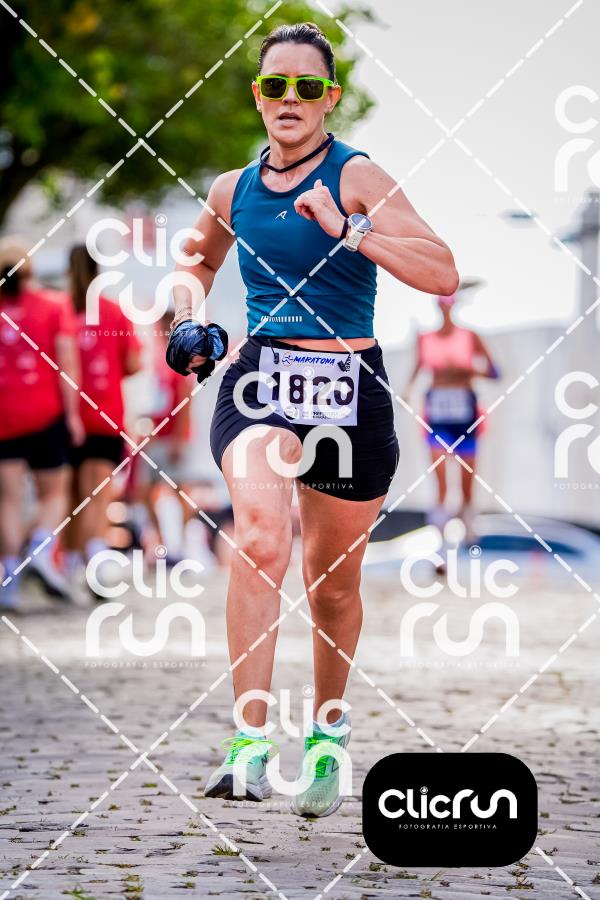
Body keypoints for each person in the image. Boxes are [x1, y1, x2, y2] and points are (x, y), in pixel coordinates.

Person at [167, 22, 458, 816]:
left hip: (349, 387)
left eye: (305, 86)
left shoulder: (357, 175)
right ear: (257, 97)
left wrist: (351, 230)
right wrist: (188, 316)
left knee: (331, 584)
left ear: (329, 97)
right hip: (262, 380)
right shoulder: (231, 189)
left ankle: (328, 731)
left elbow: (442, 271)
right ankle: (249, 742)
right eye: (274, 85)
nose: (288, 98)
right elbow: (195, 261)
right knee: (261, 538)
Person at [0, 237, 84, 610]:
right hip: (45, 413)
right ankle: (39, 547)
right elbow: (66, 364)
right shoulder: (53, 305)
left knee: (9, 500)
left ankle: (8, 582)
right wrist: (73, 414)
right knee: (54, 493)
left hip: (4, 417)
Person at [62, 245, 141, 594]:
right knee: (97, 494)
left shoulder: (60, 310)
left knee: (69, 497)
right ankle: (93, 559)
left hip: (66, 417)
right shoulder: (113, 311)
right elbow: (134, 363)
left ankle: (68, 566)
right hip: (105, 414)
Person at [406, 293, 499, 538]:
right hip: (437, 414)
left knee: (467, 483)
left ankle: (468, 528)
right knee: (440, 482)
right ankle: (439, 534)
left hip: (466, 413)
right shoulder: (425, 339)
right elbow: (416, 370)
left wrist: (469, 371)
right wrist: (406, 391)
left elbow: (495, 371)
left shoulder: (470, 336)